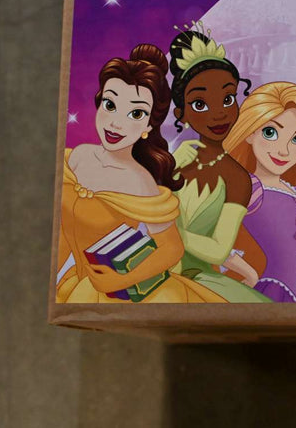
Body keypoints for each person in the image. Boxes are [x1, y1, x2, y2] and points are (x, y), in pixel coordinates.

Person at [56, 44, 225, 304]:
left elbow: (171, 248)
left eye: (135, 113)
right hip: (74, 285)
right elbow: (63, 232)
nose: (116, 123)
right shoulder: (77, 157)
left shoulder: (139, 180)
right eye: (110, 105)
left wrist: (119, 280)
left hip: (116, 292)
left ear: (148, 125)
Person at [168, 26, 271, 303]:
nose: (218, 114)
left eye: (227, 99)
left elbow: (217, 250)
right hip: (148, 266)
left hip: (193, 278)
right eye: (200, 104)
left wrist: (169, 231)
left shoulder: (236, 177)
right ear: (181, 114)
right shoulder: (176, 160)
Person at [224, 82, 296, 303]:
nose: (283, 151)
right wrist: (248, 273)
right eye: (270, 132)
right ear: (249, 133)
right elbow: (209, 237)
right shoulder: (248, 188)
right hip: (257, 296)